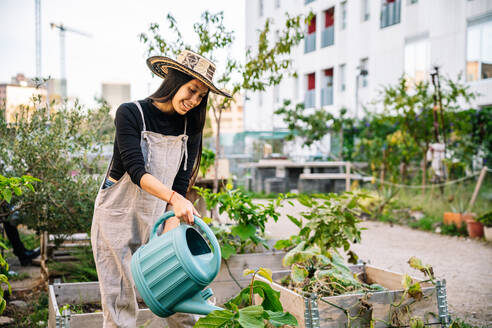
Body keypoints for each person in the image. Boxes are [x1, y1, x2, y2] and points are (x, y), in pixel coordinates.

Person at [91, 50, 231, 328]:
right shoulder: (131, 113)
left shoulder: (191, 125)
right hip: (116, 218)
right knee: (119, 303)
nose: (194, 101)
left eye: (201, 96)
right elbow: (136, 171)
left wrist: (172, 219)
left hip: (157, 215)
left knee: (179, 291)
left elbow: (181, 180)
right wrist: (175, 200)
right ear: (173, 81)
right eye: (192, 90)